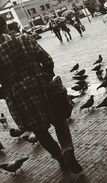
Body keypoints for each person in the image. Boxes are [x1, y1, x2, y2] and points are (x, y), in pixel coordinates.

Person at [0, 17, 83, 173]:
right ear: (4, 25)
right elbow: (47, 60)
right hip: (41, 86)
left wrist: (7, 91)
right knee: (58, 119)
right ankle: (67, 150)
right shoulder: (24, 39)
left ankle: (59, 157)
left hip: (19, 98)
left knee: (40, 131)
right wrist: (46, 76)